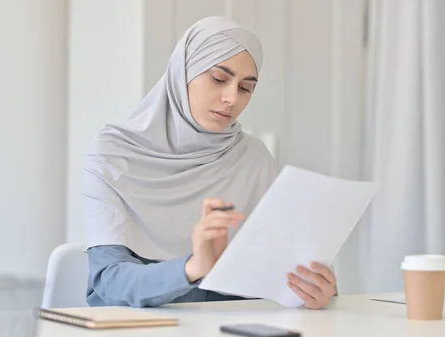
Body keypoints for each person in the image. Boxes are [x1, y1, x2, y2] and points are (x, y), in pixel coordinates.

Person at [83, 16, 337, 309]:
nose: (232, 98)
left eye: (245, 88)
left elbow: (285, 271)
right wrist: (192, 267)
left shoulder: (253, 158)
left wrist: (316, 291)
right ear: (183, 73)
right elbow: (110, 282)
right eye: (218, 78)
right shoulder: (113, 155)